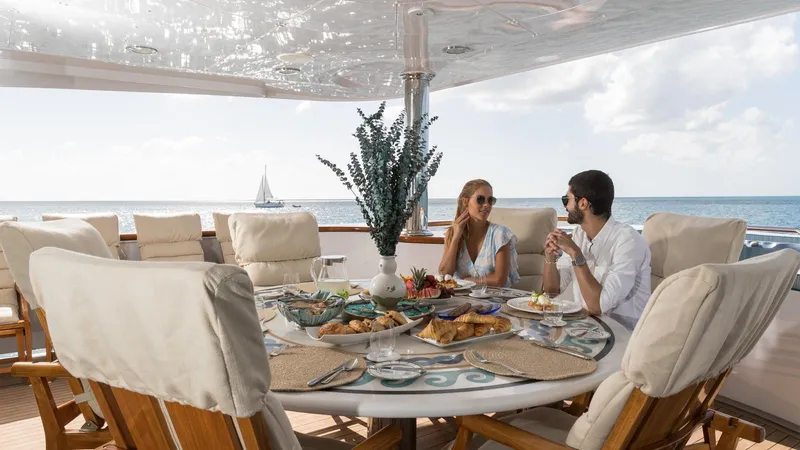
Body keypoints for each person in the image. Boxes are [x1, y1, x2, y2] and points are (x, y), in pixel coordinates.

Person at [542, 170, 651, 329]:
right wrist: (549, 256)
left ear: (583, 203)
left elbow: (597, 306)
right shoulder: (579, 234)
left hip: (621, 337)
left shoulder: (628, 242)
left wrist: (576, 254)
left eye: (566, 199)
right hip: (584, 328)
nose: (565, 206)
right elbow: (554, 291)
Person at [439, 179, 520, 287]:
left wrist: (468, 281)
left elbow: (499, 280)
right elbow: (444, 273)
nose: (487, 205)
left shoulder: (500, 235)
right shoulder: (452, 234)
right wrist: (456, 238)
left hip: (495, 299)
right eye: (480, 199)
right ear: (465, 201)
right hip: (462, 298)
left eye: (490, 200)